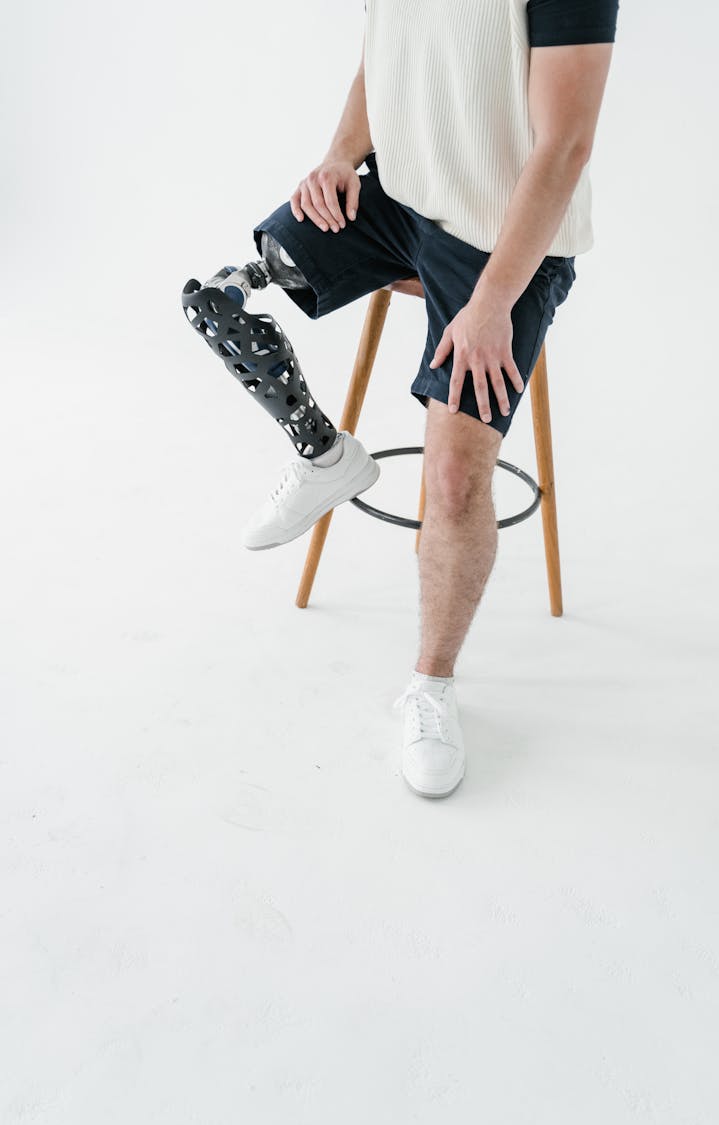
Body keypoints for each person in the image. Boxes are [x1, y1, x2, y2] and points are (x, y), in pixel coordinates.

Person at [244, 0, 619, 798]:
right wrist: (343, 153)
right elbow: (387, 53)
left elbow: (565, 145)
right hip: (403, 202)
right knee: (222, 297)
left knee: (453, 480)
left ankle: (432, 687)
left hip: (506, 239)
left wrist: (491, 303)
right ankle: (325, 454)